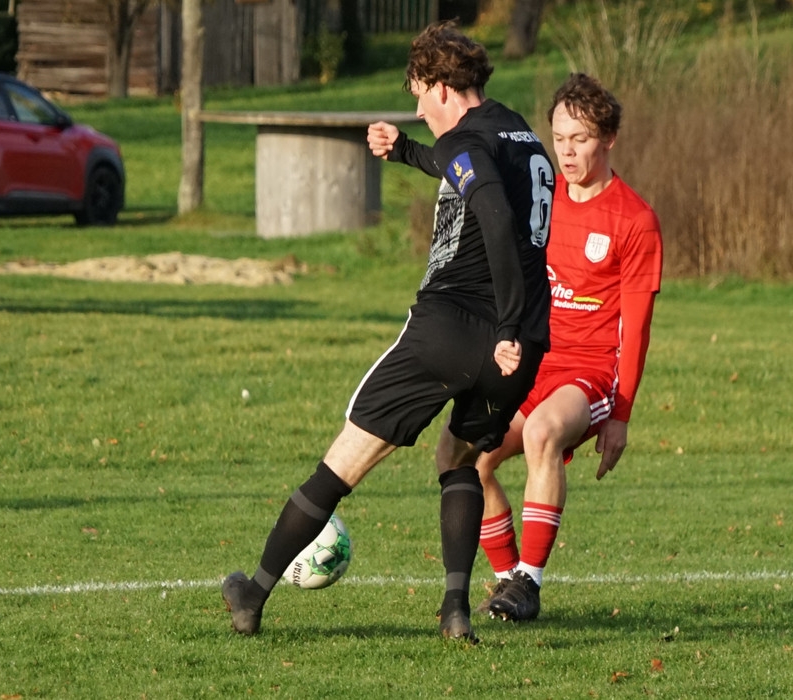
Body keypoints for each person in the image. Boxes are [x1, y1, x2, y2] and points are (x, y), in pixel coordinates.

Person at [221, 21, 555, 644]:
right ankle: (454, 609)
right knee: (457, 457)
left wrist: (505, 322)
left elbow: (490, 208)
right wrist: (406, 151)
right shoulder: (518, 133)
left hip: (455, 330)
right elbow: (467, 169)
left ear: (442, 87)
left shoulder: (466, 142)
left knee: (344, 460)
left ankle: (253, 594)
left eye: (419, 94)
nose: (418, 109)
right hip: (520, 351)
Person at [475, 73, 663, 622]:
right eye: (559, 138)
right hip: (533, 362)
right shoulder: (540, 199)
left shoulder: (635, 220)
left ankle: (529, 583)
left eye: (580, 139)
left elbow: (637, 329)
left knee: (541, 433)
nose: (567, 151)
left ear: (609, 139)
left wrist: (620, 416)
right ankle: (508, 581)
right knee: (469, 459)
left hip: (590, 375)